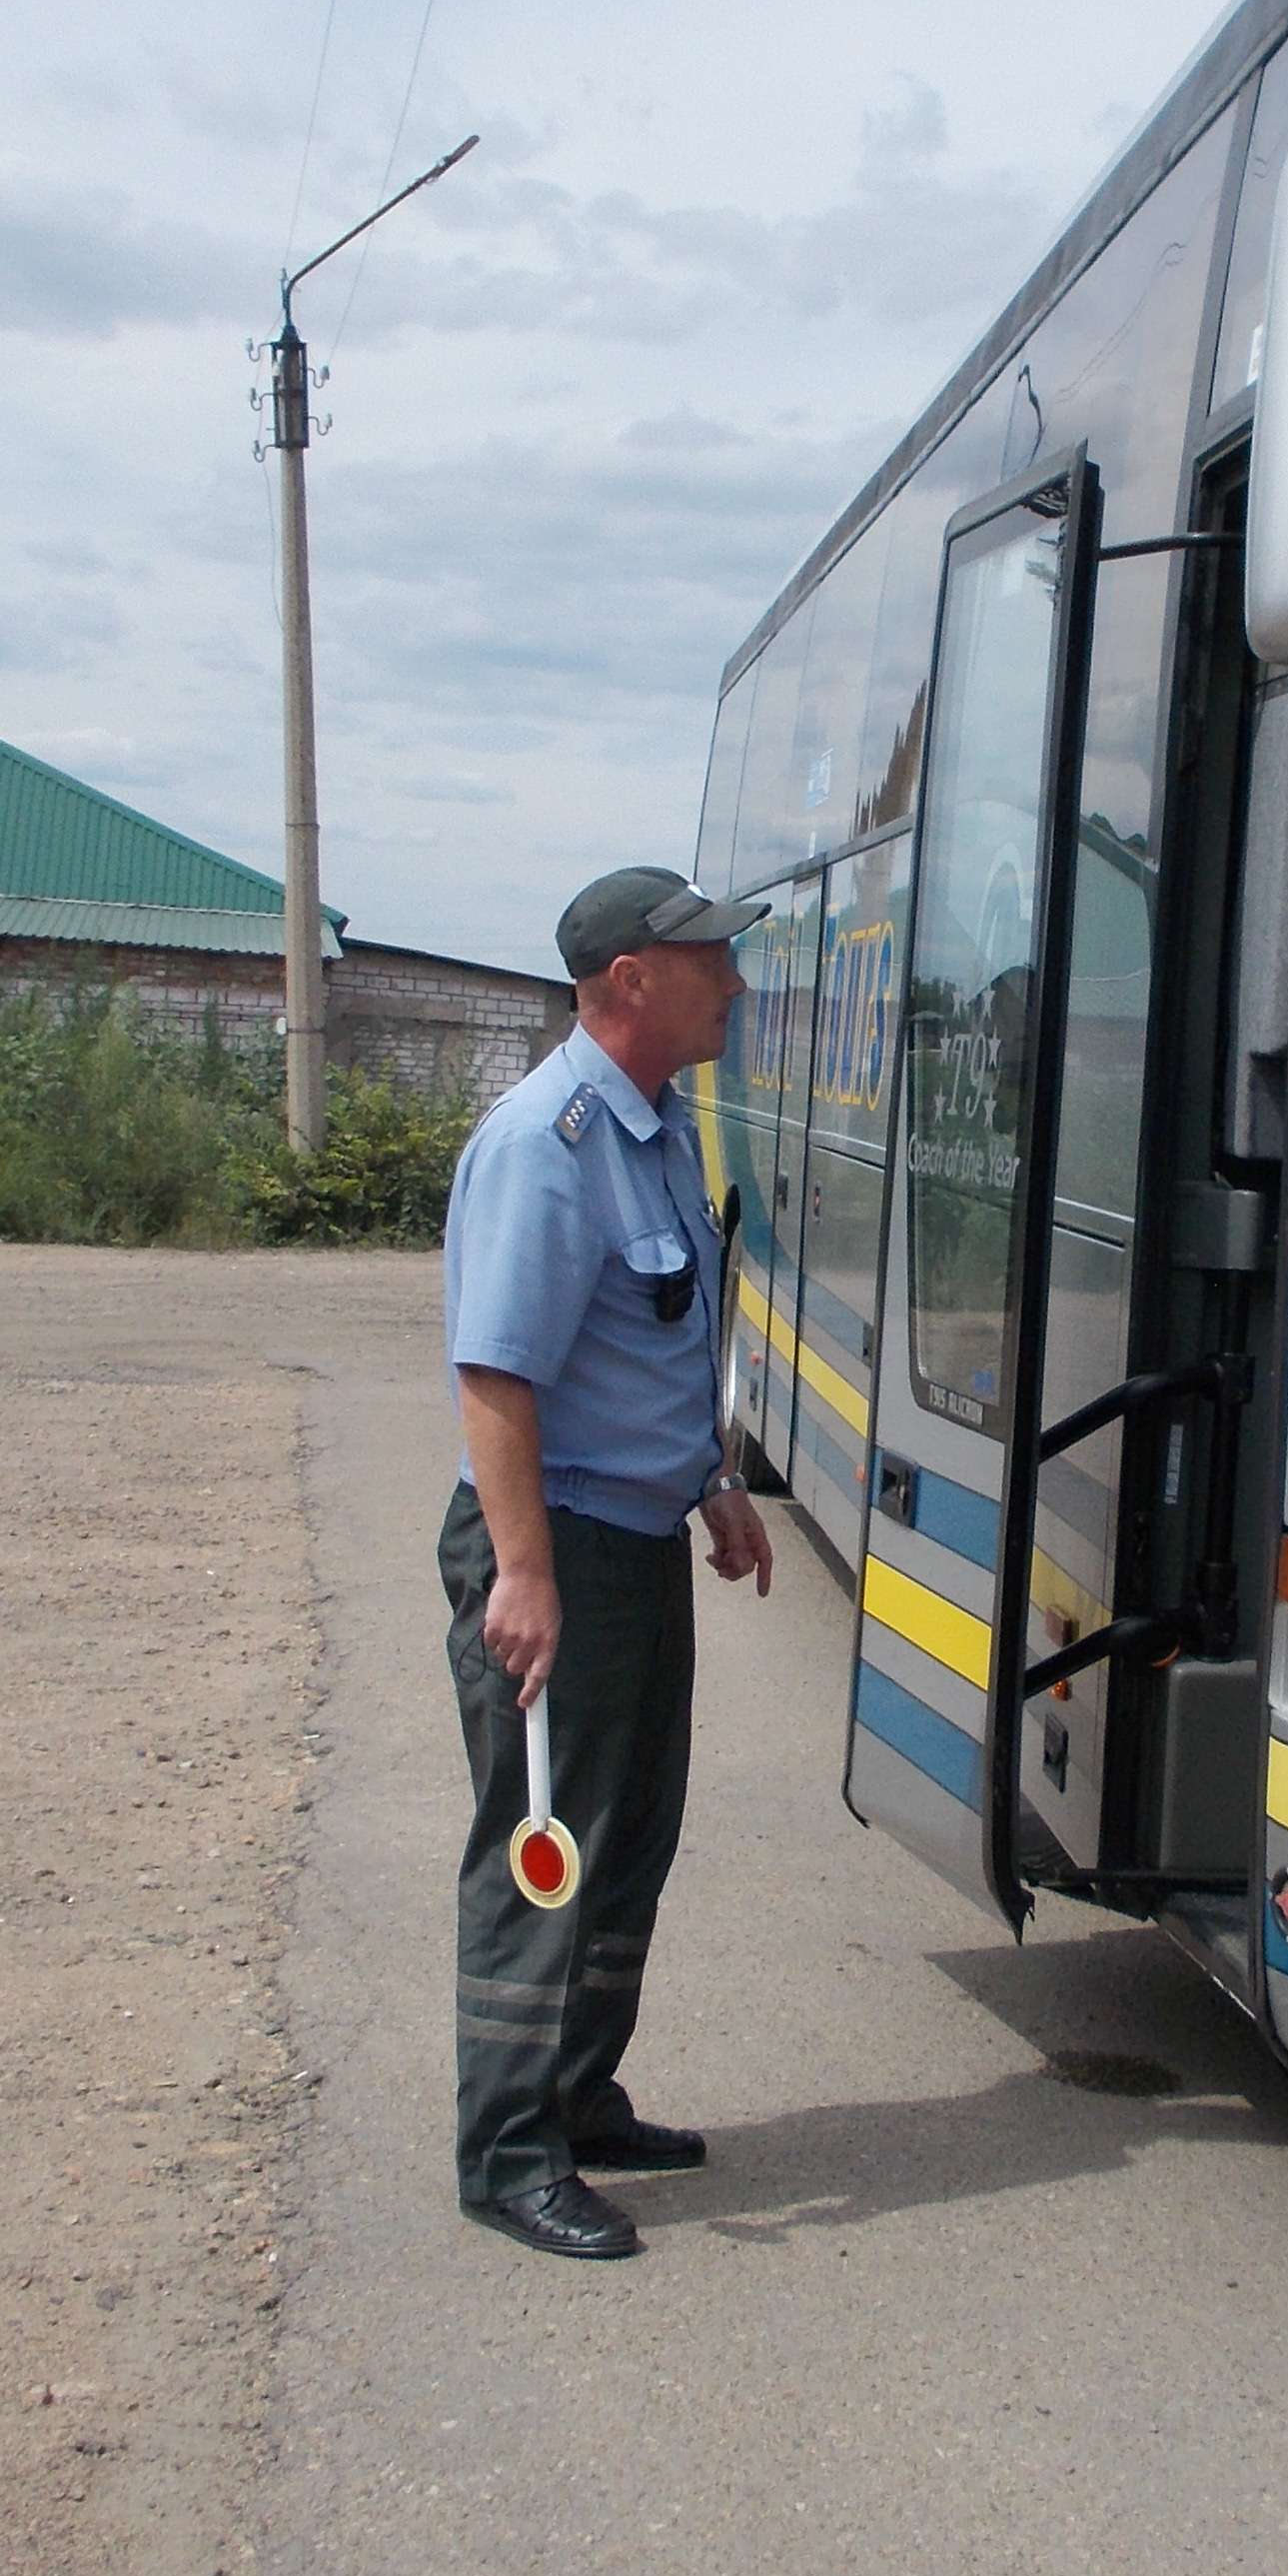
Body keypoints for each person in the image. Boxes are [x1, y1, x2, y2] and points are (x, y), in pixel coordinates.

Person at [437, 864, 779, 2260]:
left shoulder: (654, 1127)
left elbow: (651, 1341)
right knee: (547, 1852)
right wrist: (521, 1575)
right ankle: (507, 2151)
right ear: (628, 980)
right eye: (711, 960)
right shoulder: (548, 1142)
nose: (737, 984)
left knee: (630, 1835)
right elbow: (497, 1382)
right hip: (556, 1551)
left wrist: (712, 1485)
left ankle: (578, 2098)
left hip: (635, 1542)